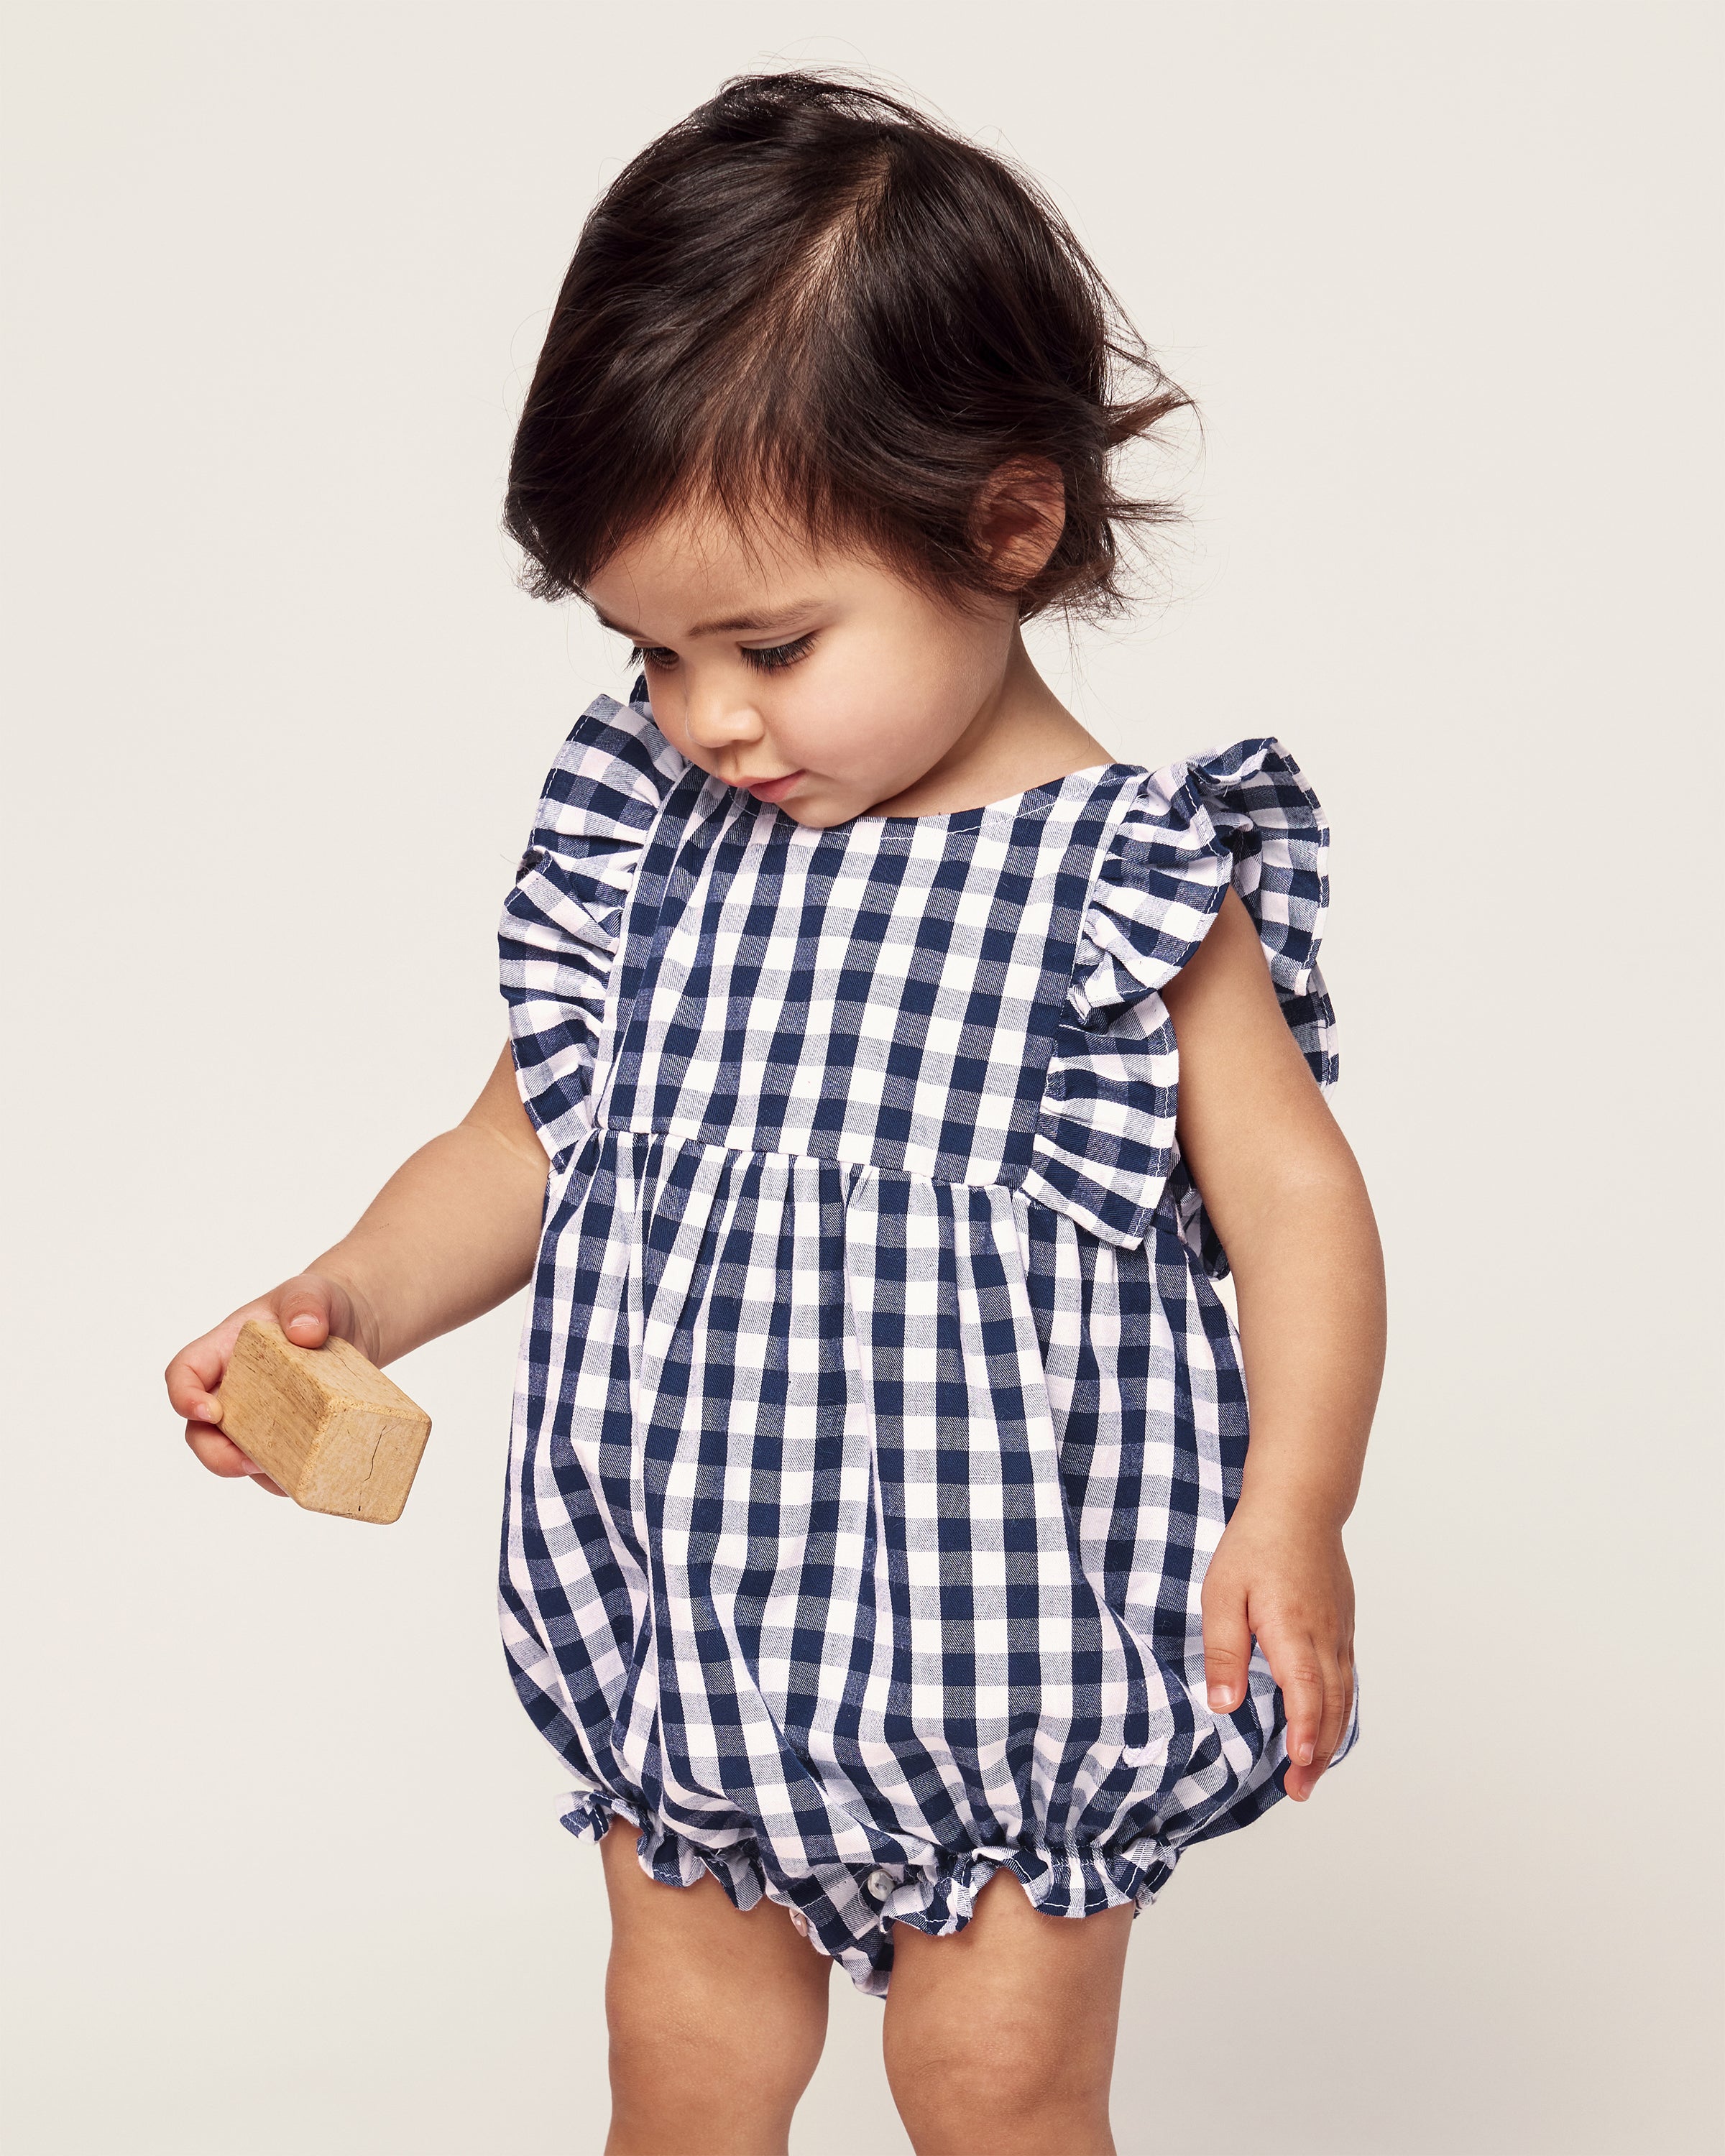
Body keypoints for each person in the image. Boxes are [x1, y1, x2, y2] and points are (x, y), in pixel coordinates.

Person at [165, 72, 1386, 2156]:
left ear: (1008, 526)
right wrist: (347, 1298)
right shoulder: (654, 846)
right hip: (700, 1641)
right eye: (653, 653)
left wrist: (1297, 1509)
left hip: (1006, 1656)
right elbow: (520, 1146)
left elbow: (1298, 1208)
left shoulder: (1123, 883)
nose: (707, 714)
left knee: (990, 2087)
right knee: (685, 2077)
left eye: (772, 643)